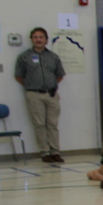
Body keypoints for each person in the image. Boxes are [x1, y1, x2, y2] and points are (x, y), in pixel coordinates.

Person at [14, 27, 65, 162]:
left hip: (51, 94)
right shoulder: (24, 57)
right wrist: (32, 85)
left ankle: (55, 151)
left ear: (46, 40)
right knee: (39, 124)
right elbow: (19, 76)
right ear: (32, 39)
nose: (38, 40)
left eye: (41, 37)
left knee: (52, 124)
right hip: (34, 94)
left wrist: (51, 85)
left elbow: (60, 75)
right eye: (35, 37)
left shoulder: (53, 57)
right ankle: (44, 152)